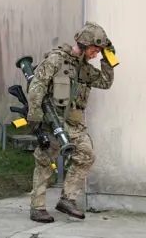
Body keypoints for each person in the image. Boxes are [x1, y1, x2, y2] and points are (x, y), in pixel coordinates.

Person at [27, 22, 115, 223]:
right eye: (94, 50)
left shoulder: (85, 69)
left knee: (86, 156)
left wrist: (108, 58)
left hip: (75, 125)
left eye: (98, 51)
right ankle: (37, 207)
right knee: (45, 162)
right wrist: (35, 116)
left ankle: (67, 199)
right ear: (84, 44)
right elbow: (37, 86)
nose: (95, 54)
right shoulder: (56, 59)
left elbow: (105, 82)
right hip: (54, 121)